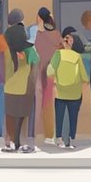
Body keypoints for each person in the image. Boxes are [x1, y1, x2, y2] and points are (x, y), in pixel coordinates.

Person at [49, 28, 89, 149]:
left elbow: (49, 71)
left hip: (60, 91)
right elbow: (84, 76)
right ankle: (71, 139)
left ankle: (59, 138)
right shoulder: (77, 56)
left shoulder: (57, 54)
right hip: (75, 92)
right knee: (73, 117)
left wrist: (56, 78)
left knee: (59, 116)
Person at [3, 12, 36, 153]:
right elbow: (35, 69)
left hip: (9, 87)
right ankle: (22, 143)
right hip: (25, 87)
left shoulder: (6, 49)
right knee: (23, 116)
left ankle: (9, 142)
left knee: (10, 115)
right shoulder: (30, 49)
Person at [33, 8, 60, 144]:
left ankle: (38, 133)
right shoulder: (56, 35)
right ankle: (50, 135)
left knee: (39, 104)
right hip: (52, 73)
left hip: (39, 72)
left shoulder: (38, 35)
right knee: (49, 104)